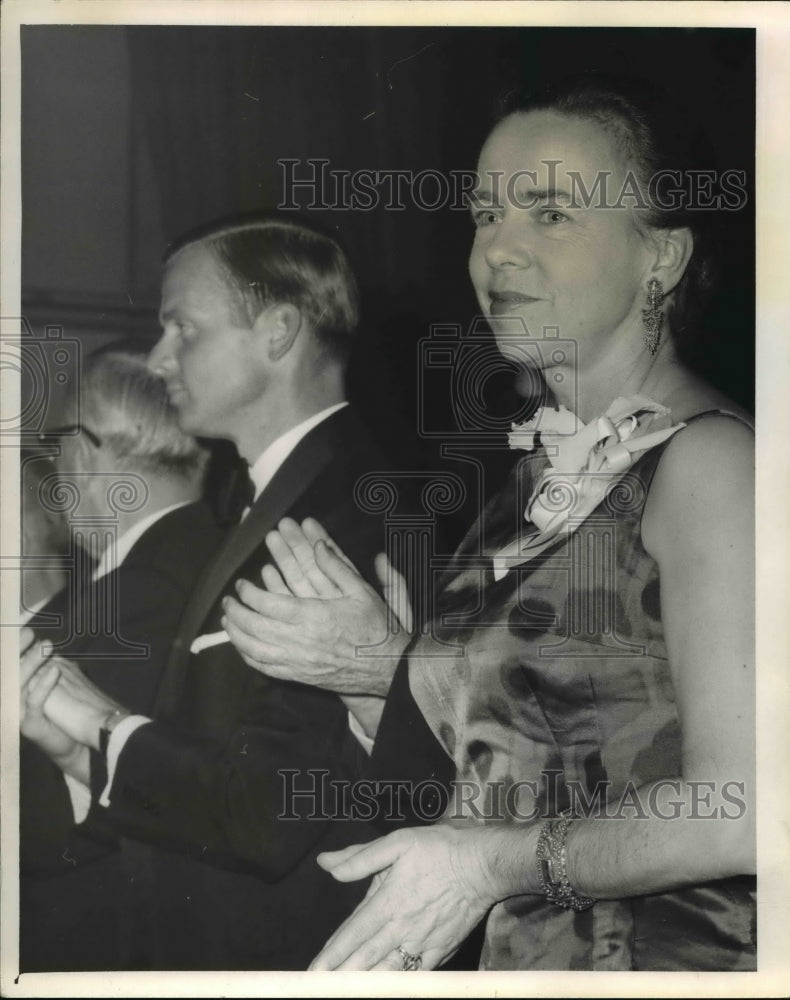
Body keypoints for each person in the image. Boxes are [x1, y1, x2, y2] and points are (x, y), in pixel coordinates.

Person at [222, 75, 756, 971]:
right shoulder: (530, 480)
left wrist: (487, 868)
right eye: (485, 214)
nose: (498, 251)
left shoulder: (713, 466)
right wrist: (381, 676)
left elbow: (745, 810)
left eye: (550, 214)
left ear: (660, 258)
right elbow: (510, 769)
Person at [21, 214, 415, 970]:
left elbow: (269, 813)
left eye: (183, 329)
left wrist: (103, 725)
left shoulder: (343, 509)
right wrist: (82, 753)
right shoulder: (266, 505)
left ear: (278, 332)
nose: (161, 356)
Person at [20, 340, 224, 971]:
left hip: (99, 944)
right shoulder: (200, 560)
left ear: (80, 452)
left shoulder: (136, 596)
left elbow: (92, 826)